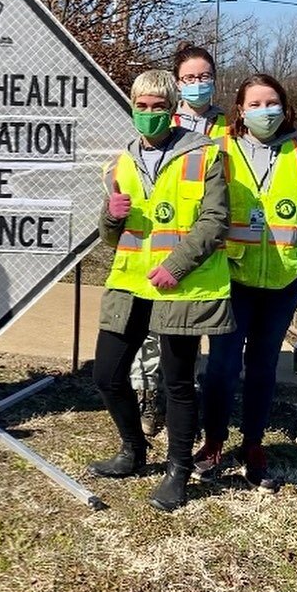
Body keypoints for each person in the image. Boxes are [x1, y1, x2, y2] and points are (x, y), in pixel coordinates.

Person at [88, 69, 233, 512]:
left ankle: (177, 471)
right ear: (132, 107)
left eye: (158, 107)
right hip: (130, 284)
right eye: (141, 106)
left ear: (173, 110)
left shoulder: (204, 155)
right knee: (107, 375)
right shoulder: (119, 162)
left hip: (182, 287)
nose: (149, 114)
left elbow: (215, 219)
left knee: (178, 383)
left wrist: (176, 264)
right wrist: (111, 216)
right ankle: (133, 450)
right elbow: (111, 237)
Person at [194, 73, 297, 492]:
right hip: (231, 277)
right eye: (253, 104)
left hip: (283, 279)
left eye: (270, 102)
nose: (263, 110)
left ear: (285, 106)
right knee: (220, 365)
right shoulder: (218, 150)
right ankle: (214, 440)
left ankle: (253, 443)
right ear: (239, 109)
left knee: (263, 366)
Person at [129, 42, 228, 437]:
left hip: (215, 242)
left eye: (204, 77)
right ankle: (151, 400)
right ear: (176, 83)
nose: (197, 84)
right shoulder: (163, 117)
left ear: (215, 80)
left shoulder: (231, 125)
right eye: (188, 78)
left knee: (198, 338)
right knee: (154, 335)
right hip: (163, 245)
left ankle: (191, 403)